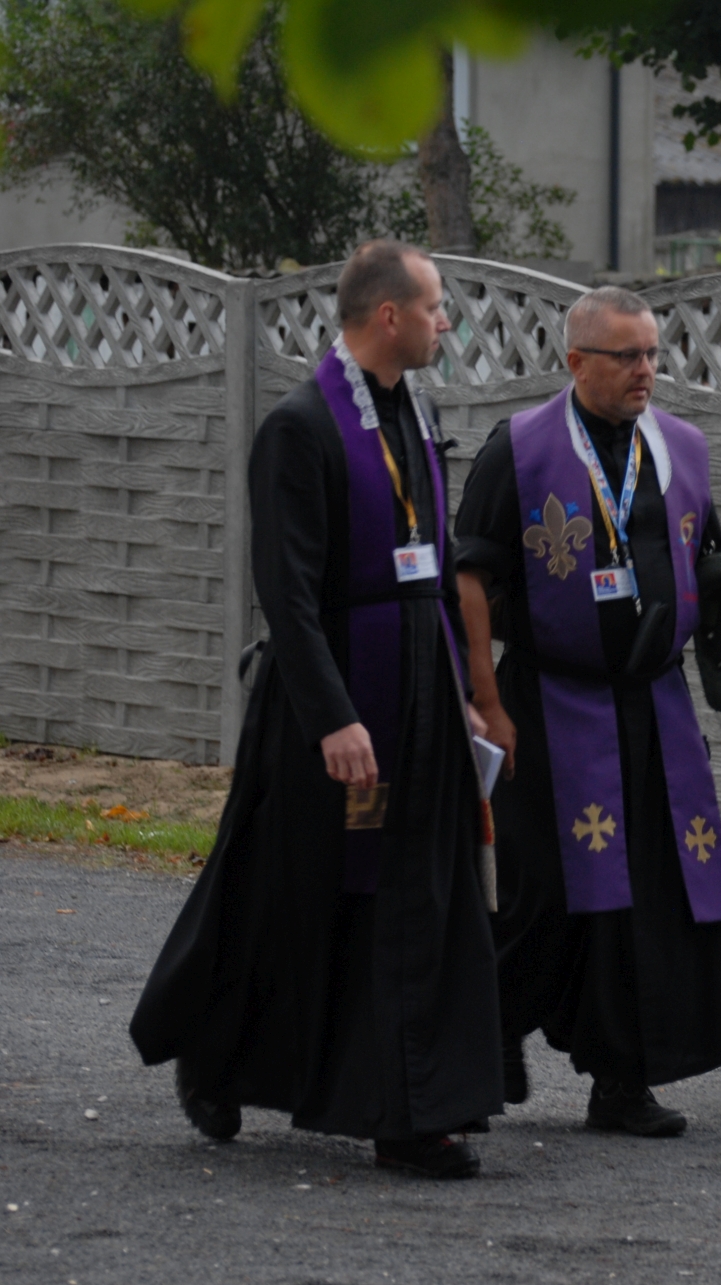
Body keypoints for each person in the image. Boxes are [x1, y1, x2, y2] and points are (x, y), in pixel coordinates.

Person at [129, 240, 502, 1178]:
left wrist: (460, 691)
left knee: (420, 892)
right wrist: (334, 715)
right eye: (435, 306)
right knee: (289, 892)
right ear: (389, 315)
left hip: (419, 692)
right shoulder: (299, 427)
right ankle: (215, 1051)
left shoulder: (417, 410)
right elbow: (286, 591)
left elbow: (434, 563)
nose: (446, 321)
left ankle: (412, 1110)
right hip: (334, 696)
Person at [454, 287, 721, 1136]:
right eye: (626, 355)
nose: (645, 370)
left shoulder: (682, 449)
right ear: (577, 362)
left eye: (652, 354)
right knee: (541, 894)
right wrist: (484, 698)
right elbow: (471, 576)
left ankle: (623, 1081)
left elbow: (717, 577)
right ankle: (481, 1042)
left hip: (655, 706)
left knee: (650, 899)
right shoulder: (519, 449)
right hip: (548, 703)